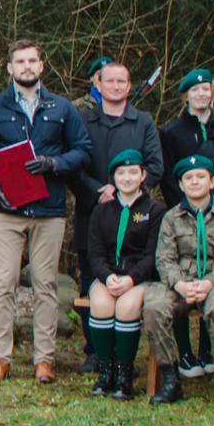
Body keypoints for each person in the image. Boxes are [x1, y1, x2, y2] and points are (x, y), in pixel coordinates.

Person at [0, 39, 90, 384]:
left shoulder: (61, 108)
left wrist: (54, 162)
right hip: (6, 210)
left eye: (33, 60)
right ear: (10, 68)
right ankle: (0, 359)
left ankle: (43, 360)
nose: (27, 66)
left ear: (42, 66)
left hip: (49, 209)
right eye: (20, 61)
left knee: (45, 285)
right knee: (3, 283)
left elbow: (83, 150)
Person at [68, 58, 162, 372]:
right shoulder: (83, 120)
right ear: (98, 84)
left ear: (129, 86)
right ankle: (95, 352)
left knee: (129, 286)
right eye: (109, 81)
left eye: (122, 81)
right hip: (91, 213)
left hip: (135, 217)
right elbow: (74, 165)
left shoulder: (143, 122)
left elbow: (156, 165)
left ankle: (124, 359)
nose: (116, 86)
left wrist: (126, 190)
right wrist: (99, 190)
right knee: (91, 282)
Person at [144, 155, 214, 410]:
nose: (194, 182)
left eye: (200, 177)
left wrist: (209, 283)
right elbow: (164, 259)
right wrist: (180, 285)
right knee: (153, 306)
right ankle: (171, 380)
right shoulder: (171, 217)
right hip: (181, 283)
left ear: (212, 181)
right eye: (188, 178)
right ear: (181, 185)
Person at [81, 149, 167, 400]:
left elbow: (153, 255)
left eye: (132, 172)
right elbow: (94, 254)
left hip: (139, 278)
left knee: (127, 307)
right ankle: (105, 372)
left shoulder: (155, 210)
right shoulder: (101, 212)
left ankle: (124, 375)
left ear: (142, 176)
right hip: (108, 276)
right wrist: (107, 277)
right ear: (113, 179)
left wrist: (130, 279)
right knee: (100, 304)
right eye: (121, 173)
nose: (127, 178)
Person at [158, 69, 214, 208]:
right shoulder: (171, 132)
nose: (201, 94)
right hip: (186, 207)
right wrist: (183, 207)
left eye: (205, 89)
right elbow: (168, 177)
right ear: (186, 96)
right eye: (195, 90)